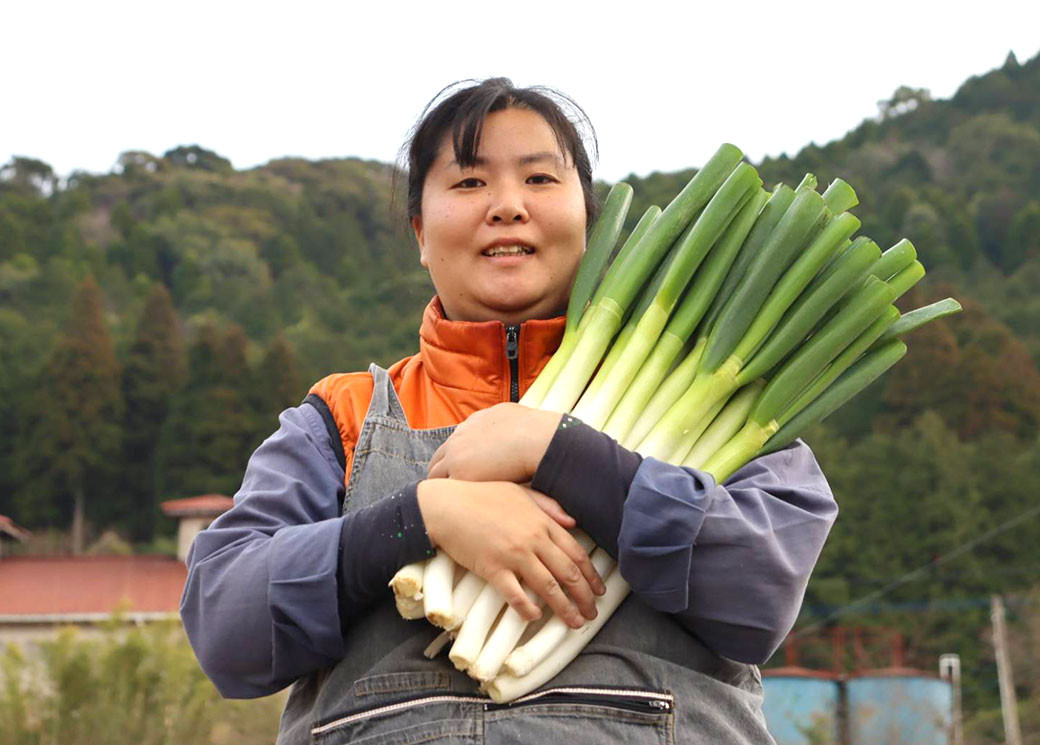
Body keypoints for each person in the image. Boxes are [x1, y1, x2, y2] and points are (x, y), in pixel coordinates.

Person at [181, 78, 838, 744]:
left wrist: (562, 451)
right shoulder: (340, 419)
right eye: (469, 183)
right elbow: (226, 628)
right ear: (420, 231)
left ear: (592, 220)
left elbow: (758, 596)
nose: (507, 205)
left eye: (540, 179)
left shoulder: (727, 410)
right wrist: (420, 517)